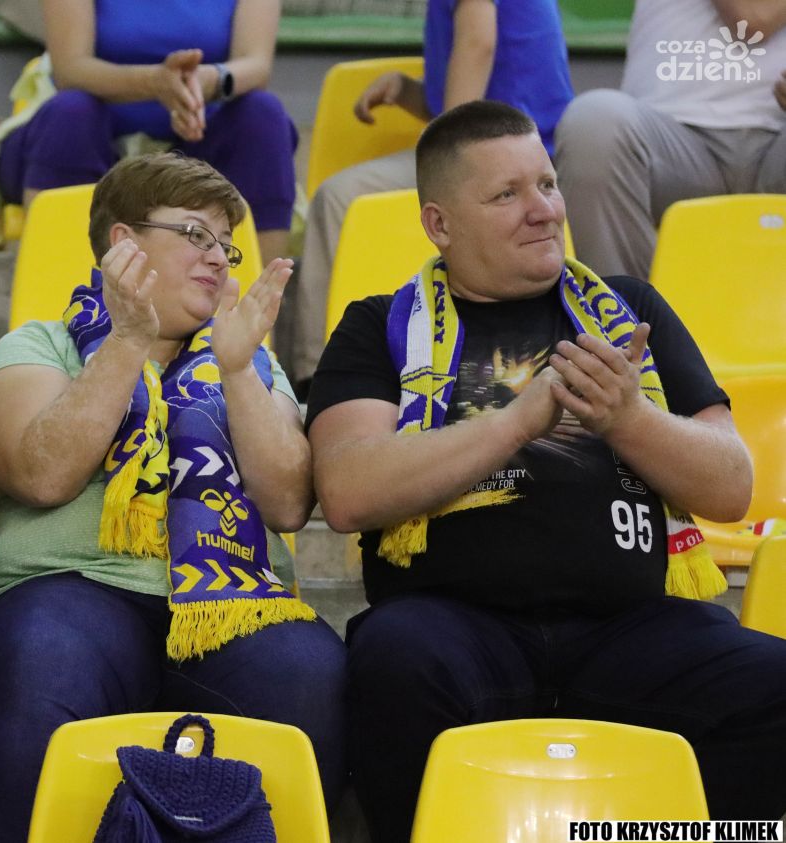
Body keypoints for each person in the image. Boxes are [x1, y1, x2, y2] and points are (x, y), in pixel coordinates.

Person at [306, 100, 786, 843]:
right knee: (394, 663)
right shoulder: (381, 326)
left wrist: (629, 418)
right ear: (439, 225)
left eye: (548, 184)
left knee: (771, 684)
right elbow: (346, 490)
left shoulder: (628, 308)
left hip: (631, 627)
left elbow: (731, 486)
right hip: (453, 625)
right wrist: (515, 422)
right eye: (507, 194)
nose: (545, 211)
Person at [0, 153, 346, 842]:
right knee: (46, 656)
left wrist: (238, 371)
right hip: (73, 589)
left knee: (308, 669)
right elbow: (40, 475)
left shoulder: (251, 360)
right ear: (125, 243)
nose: (219, 257)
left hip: (231, 604)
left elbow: (291, 503)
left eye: (226, 244)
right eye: (196, 235)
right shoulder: (41, 345)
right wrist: (129, 341)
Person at [288, 0, 574, 391]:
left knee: (339, 197)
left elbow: (478, 44)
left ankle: (317, 377)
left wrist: (452, 147)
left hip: (504, 158)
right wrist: (406, 90)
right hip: (522, 151)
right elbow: (477, 97)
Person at [0, 0, 297, 266]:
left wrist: (210, 81)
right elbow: (70, 69)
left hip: (200, 140)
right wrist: (155, 83)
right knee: (71, 113)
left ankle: (255, 298)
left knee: (263, 115)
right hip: (85, 134)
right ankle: (56, 292)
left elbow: (256, 65)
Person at [556, 0, 786, 280]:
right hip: (670, 140)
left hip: (778, 143)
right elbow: (752, 16)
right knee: (595, 123)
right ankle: (622, 306)